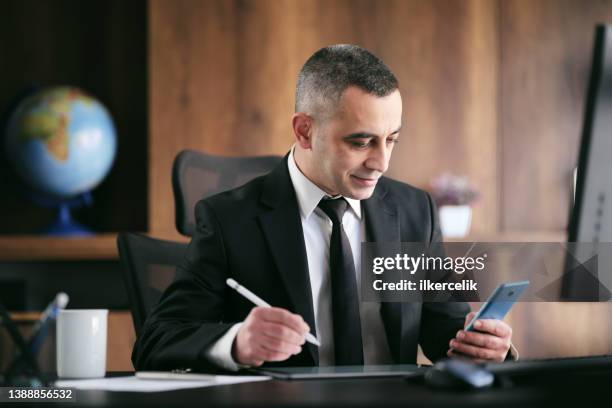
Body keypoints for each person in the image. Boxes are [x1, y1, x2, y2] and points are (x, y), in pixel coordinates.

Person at [132, 44, 514, 372]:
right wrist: (235, 342)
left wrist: (480, 345)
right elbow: (156, 341)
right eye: (361, 142)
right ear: (304, 131)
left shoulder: (414, 210)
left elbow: (442, 325)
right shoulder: (230, 221)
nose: (381, 162)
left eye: (391, 139)